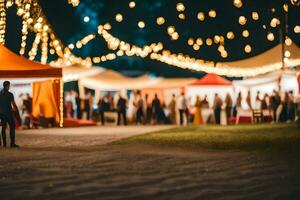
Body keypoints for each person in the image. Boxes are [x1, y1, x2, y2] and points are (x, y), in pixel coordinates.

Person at [0, 81, 19, 148]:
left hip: (2, 114)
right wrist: (16, 109)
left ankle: (4, 144)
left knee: (3, 128)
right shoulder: (10, 94)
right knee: (12, 127)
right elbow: (13, 104)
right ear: (8, 86)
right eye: (9, 85)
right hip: (9, 113)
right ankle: (12, 143)